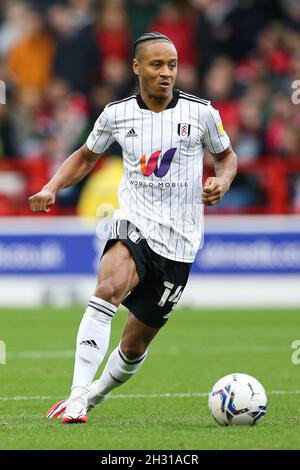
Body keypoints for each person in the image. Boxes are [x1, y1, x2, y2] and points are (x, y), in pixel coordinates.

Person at [28, 32, 237, 424]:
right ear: (137, 67)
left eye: (172, 65)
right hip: (133, 223)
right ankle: (75, 395)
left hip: (180, 243)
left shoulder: (202, 113)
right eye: (157, 65)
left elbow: (227, 158)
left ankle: (91, 398)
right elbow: (86, 156)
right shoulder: (116, 114)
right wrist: (51, 187)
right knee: (108, 287)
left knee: (135, 344)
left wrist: (222, 182)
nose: (166, 73)